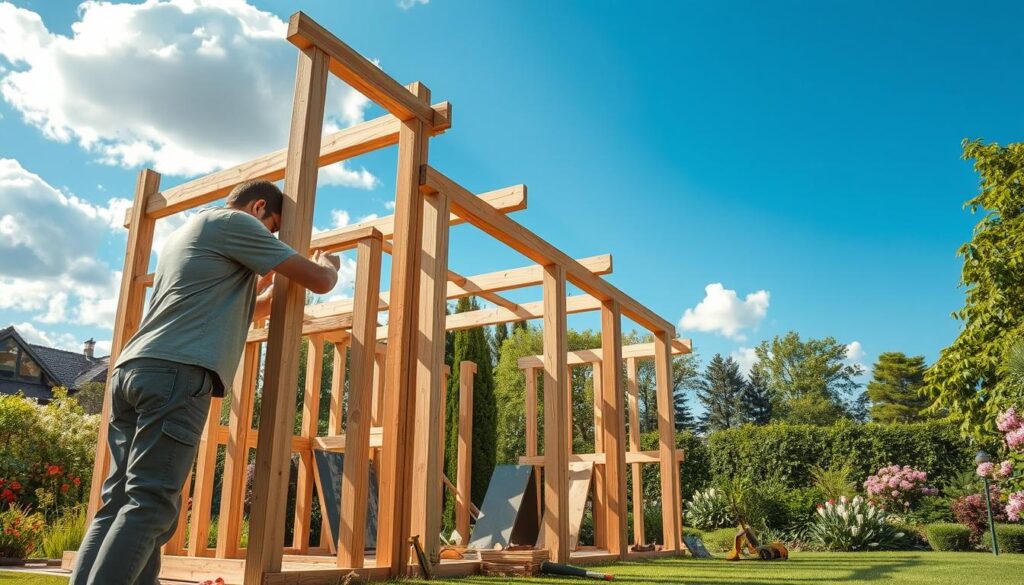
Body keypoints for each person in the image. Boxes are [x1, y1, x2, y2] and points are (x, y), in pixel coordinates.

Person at [71, 180, 341, 585]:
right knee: (151, 504)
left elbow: (248, 311)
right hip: (177, 374)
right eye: (273, 229)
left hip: (133, 369)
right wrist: (331, 265)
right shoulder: (236, 222)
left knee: (123, 501)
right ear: (260, 208)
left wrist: (261, 284)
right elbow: (319, 280)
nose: (270, 239)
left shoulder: (187, 234)